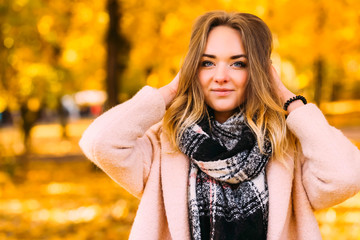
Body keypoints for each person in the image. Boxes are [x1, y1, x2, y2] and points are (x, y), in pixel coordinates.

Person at [79, 11, 360, 240]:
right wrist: (171, 90)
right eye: (207, 63)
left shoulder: (285, 145)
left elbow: (347, 175)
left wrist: (289, 99)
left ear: (260, 73)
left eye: (238, 64)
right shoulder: (165, 144)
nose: (221, 76)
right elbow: (99, 142)